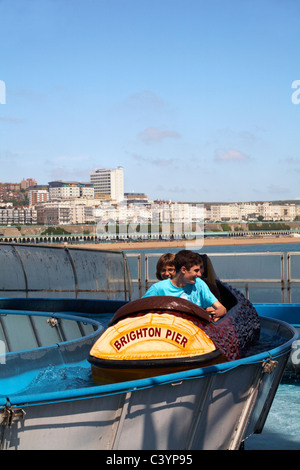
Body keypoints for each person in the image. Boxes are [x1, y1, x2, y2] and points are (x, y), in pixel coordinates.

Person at [143, 250, 227, 320]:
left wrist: (214, 313)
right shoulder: (158, 288)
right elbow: (139, 308)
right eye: (196, 270)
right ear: (183, 270)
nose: (199, 274)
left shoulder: (199, 284)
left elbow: (222, 308)